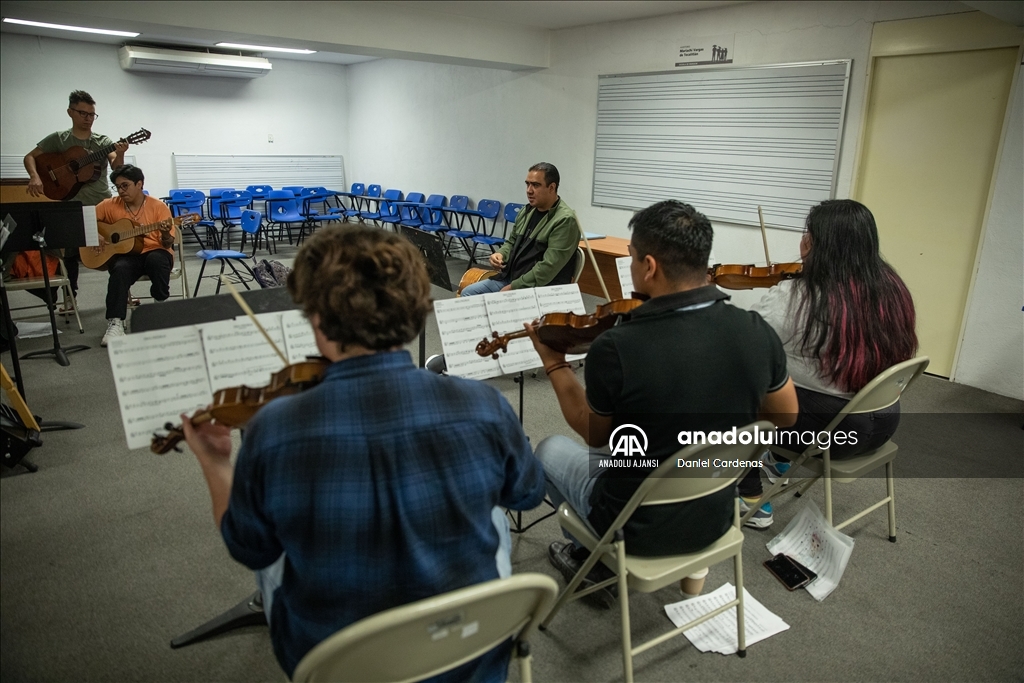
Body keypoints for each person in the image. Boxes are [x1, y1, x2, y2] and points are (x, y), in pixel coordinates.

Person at [182, 225, 545, 681]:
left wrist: (216, 463)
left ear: (315, 318)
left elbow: (249, 547)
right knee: (490, 509)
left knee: (274, 556)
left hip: (341, 664)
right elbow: (528, 494)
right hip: (469, 656)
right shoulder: (485, 405)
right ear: (417, 310)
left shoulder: (275, 428)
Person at [525, 199, 798, 605]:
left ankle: (592, 559)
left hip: (634, 524)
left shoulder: (617, 347)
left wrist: (554, 364)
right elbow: (786, 417)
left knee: (548, 450)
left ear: (649, 266)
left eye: (633, 258)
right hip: (716, 511)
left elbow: (593, 433)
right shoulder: (757, 331)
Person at [737, 199, 918, 527]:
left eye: (809, 233)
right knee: (799, 375)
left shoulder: (800, 296)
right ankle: (779, 462)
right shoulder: (892, 288)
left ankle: (750, 498)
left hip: (834, 434)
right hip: (884, 420)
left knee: (739, 382)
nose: (803, 240)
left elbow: (746, 341)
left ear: (816, 242)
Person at [24, 90, 129, 298]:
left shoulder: (102, 141)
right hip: (70, 204)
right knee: (70, 254)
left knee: (114, 248)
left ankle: (123, 294)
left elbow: (117, 168)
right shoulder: (58, 139)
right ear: (70, 112)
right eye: (83, 113)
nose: (88, 119)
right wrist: (35, 177)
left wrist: (121, 153)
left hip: (101, 203)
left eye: (92, 115)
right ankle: (70, 298)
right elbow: (30, 157)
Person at [460, 162, 580, 296]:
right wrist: (500, 254)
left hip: (539, 288)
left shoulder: (564, 220)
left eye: (535, 185)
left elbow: (548, 268)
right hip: (512, 278)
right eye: (527, 184)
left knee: (490, 304)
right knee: (468, 294)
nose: (529, 190)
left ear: (552, 187)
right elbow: (511, 242)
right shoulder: (526, 211)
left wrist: (515, 287)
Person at [94, 165, 175, 347]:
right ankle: (115, 322)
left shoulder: (158, 207)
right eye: (117, 187)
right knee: (120, 269)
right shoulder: (109, 205)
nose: (121, 191)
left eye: (125, 185)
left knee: (157, 261)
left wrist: (165, 234)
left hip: (156, 250)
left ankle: (159, 308)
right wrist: (95, 233)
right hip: (128, 253)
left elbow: (168, 243)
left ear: (139, 184)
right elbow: (84, 219)